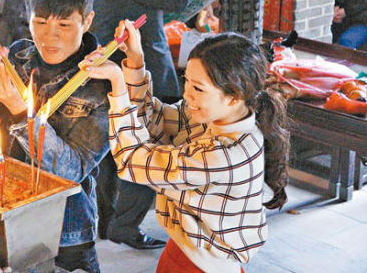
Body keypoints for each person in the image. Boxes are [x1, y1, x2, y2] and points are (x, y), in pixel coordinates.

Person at [82, 26, 290, 273]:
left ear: (234, 96)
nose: (187, 95)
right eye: (187, 82)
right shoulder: (219, 116)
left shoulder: (224, 154)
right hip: (185, 248)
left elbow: (131, 161)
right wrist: (135, 63)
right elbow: (153, 118)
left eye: (198, 88)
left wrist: (117, 84)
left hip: (202, 265)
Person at [0, 0, 110, 273]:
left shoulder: (102, 84)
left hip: (64, 232)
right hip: (1, 213)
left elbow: (72, 171)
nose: (49, 37)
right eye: (40, 22)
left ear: (87, 20)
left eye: (65, 25)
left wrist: (18, 111)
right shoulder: (17, 56)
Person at [81, 0, 219, 250]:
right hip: (142, 71)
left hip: (103, 71)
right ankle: (125, 226)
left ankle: (107, 219)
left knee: (112, 148)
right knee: (149, 147)